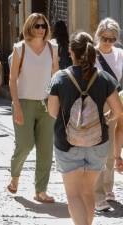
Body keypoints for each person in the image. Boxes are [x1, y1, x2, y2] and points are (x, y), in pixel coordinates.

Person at [48, 31, 123, 225]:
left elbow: (52, 112)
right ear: (92, 53)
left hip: (67, 143)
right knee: (88, 192)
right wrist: (106, 118)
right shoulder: (104, 78)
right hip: (98, 143)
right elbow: (118, 110)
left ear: (71, 52)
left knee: (74, 195)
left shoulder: (60, 78)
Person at [7, 13, 59, 203]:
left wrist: (57, 102)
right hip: (24, 102)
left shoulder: (52, 48)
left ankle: (41, 190)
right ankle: (15, 176)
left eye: (43, 26)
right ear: (29, 27)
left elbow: (56, 77)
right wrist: (16, 105)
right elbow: (12, 80)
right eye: (37, 26)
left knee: (46, 149)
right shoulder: (20, 48)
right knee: (25, 144)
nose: (40, 29)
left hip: (47, 103)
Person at [93, 18, 123, 212]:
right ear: (98, 36)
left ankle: (108, 188)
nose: (109, 43)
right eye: (105, 38)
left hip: (115, 101)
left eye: (112, 39)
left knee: (112, 148)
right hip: (94, 103)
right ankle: (97, 195)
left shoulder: (120, 54)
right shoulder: (91, 54)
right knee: (97, 149)